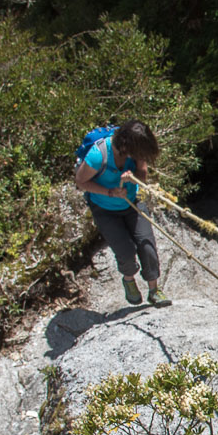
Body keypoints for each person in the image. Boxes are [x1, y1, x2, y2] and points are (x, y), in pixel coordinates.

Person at [76, 120, 171, 307]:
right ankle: (129, 279)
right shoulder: (98, 155)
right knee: (125, 251)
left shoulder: (136, 151)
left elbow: (142, 175)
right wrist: (110, 192)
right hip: (104, 210)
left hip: (132, 204)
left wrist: (134, 177)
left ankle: (154, 290)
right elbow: (80, 182)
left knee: (147, 245)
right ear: (127, 146)